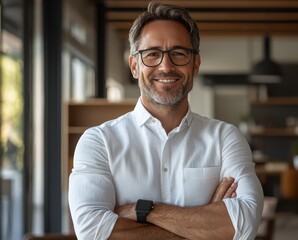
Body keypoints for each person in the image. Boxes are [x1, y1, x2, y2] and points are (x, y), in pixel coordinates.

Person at [68, 1, 263, 239]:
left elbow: (245, 225)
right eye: (152, 54)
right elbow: (92, 232)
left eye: (179, 54)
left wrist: (144, 211)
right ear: (134, 66)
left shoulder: (225, 138)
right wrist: (204, 227)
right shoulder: (99, 142)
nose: (166, 65)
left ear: (196, 65)